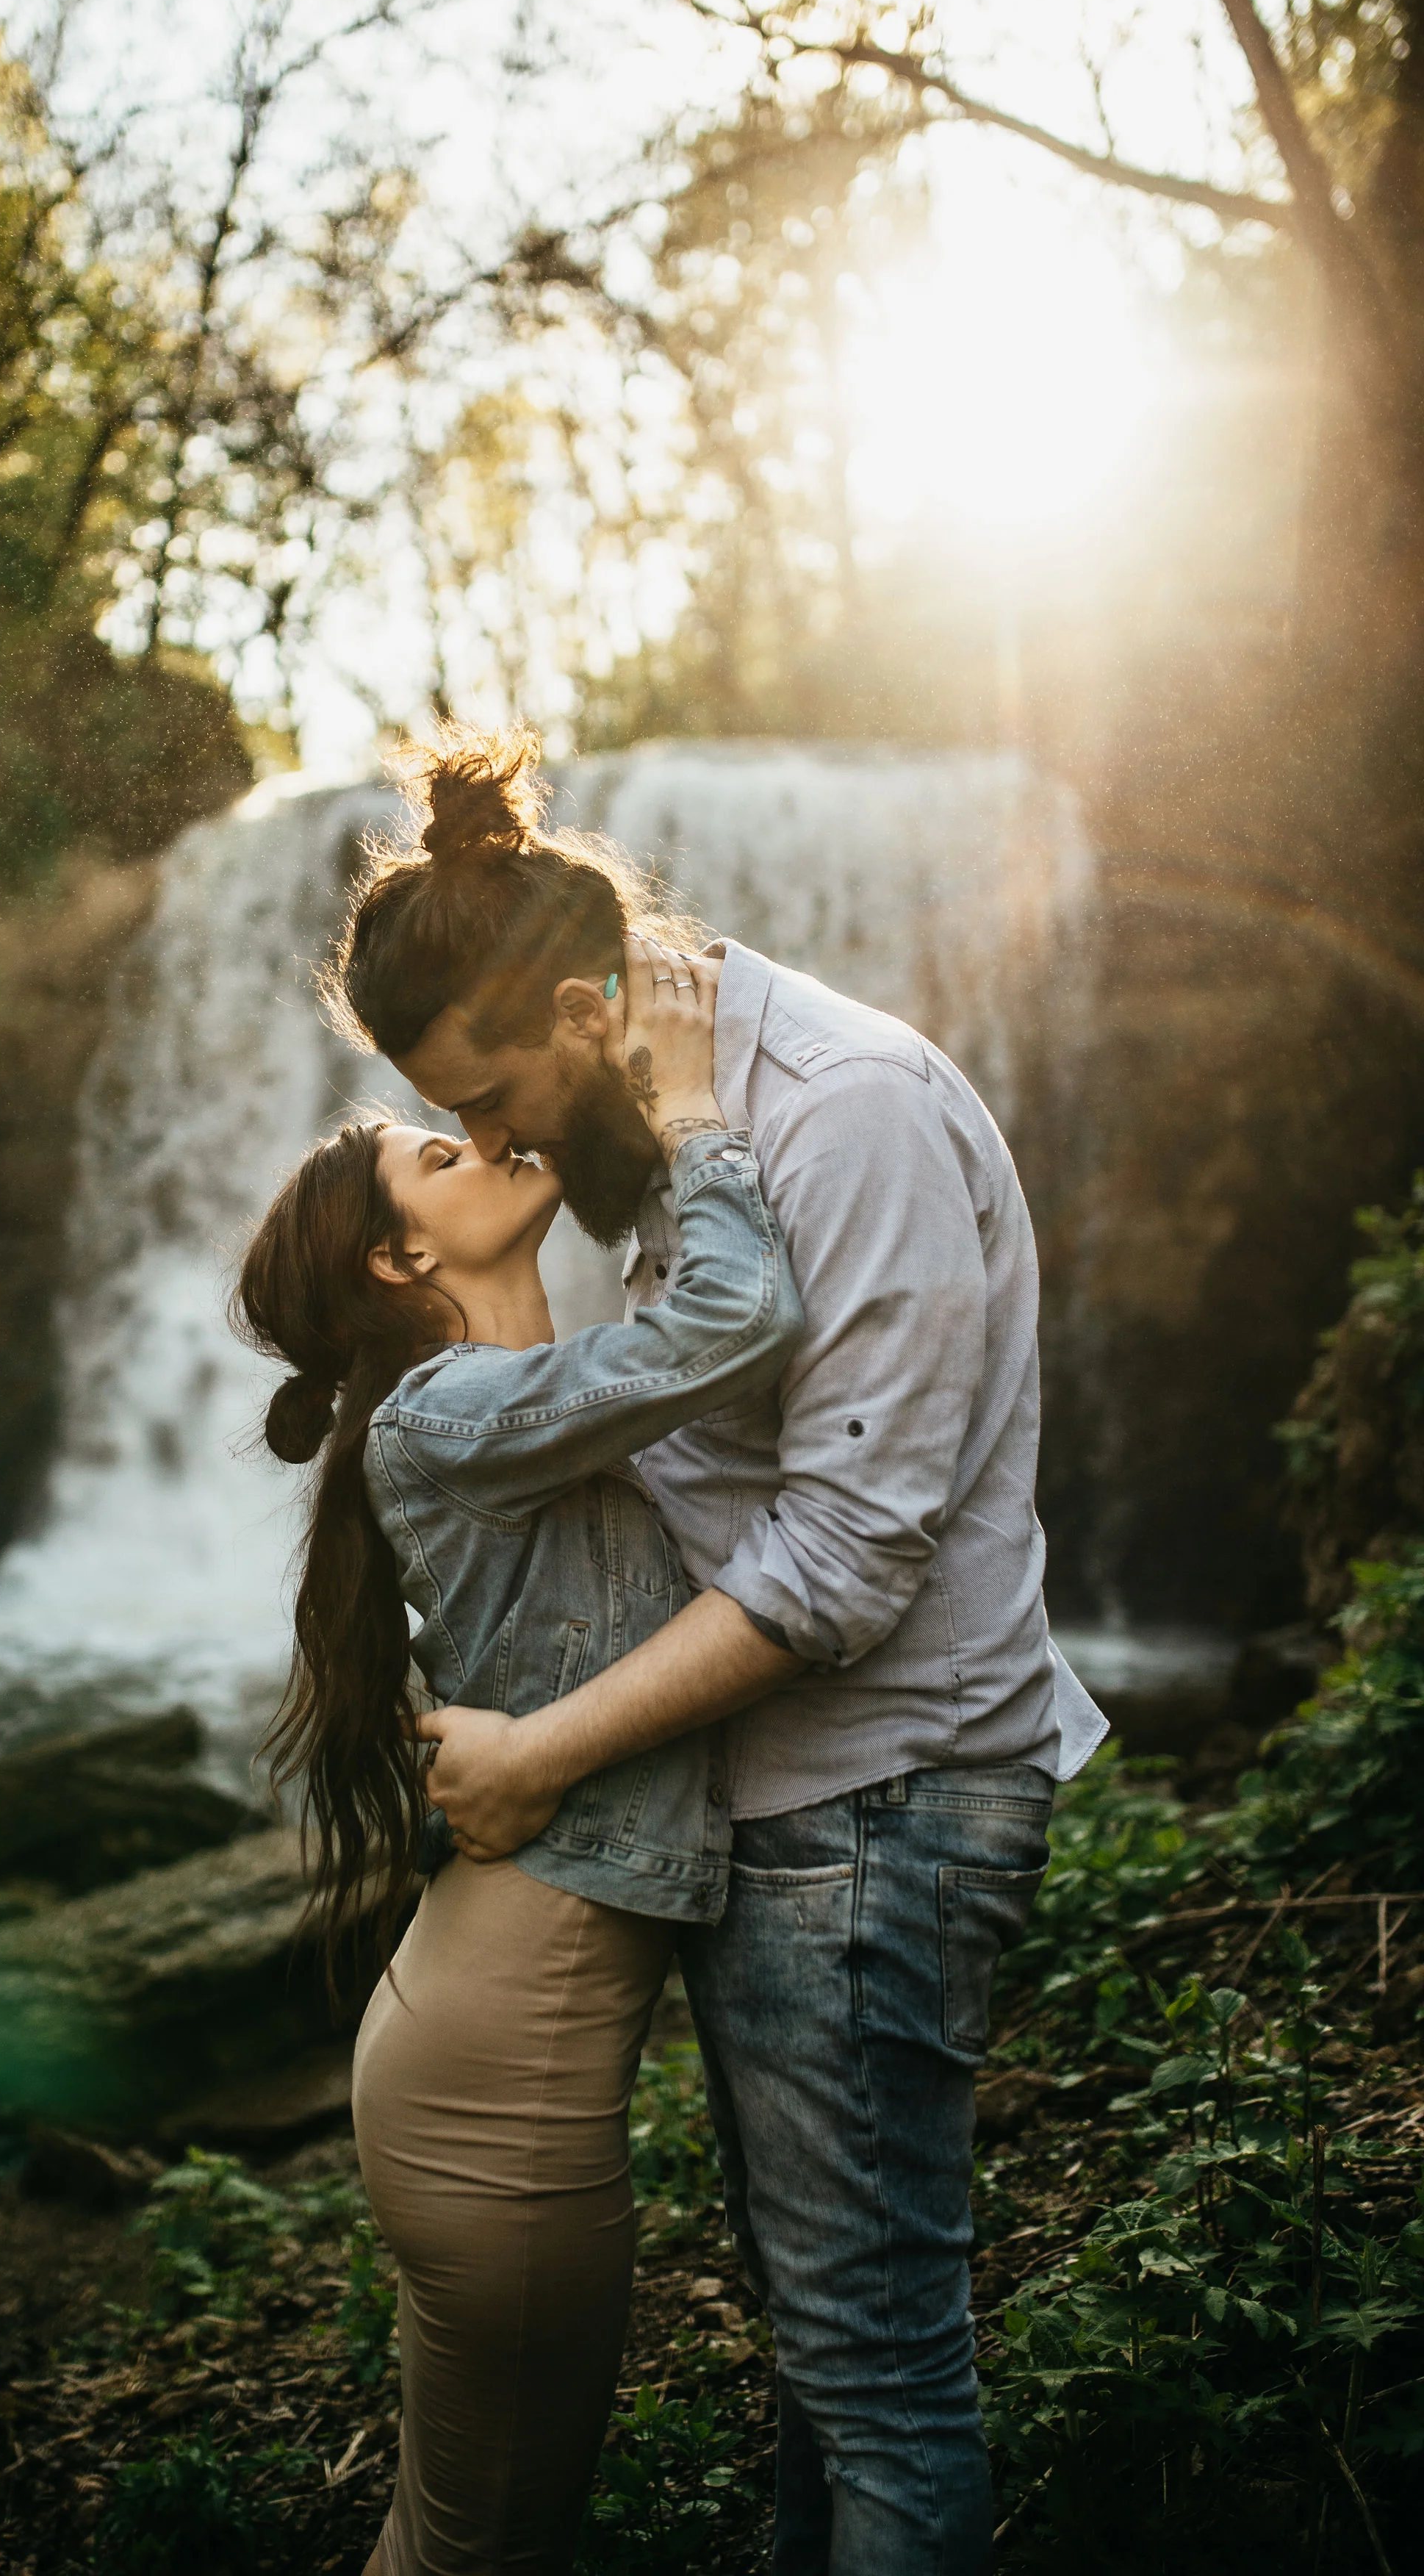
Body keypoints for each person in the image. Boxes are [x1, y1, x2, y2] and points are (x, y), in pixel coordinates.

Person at [322, 718, 1110, 2576]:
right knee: (823, 2374)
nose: (498, 1146)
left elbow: (843, 1559)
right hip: (786, 1811)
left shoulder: (842, 1118)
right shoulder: (665, 1130)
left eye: (499, 1101)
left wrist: (546, 1746)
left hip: (877, 1805)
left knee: (881, 2380)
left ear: (594, 1009)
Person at [230, 794, 804, 2571]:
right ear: (408, 1263)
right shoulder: (456, 1412)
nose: (478, 1144)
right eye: (437, 1155)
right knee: (490, 2548)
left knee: (465, 2535)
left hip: (480, 2039)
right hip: (504, 2075)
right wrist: (694, 1115)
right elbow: (732, 1327)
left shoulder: (490, 1415)